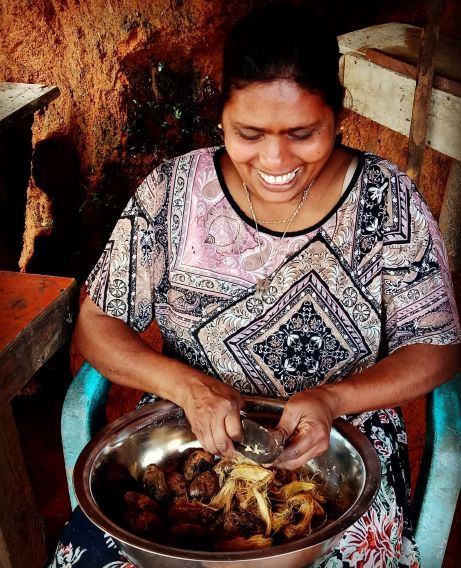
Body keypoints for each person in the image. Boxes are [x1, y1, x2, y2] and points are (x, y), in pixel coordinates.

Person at [49, 3, 461, 567]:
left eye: (302, 133)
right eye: (249, 133)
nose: (274, 159)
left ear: (338, 114)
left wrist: (333, 398)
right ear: (221, 119)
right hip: (190, 430)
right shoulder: (172, 193)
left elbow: (437, 349)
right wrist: (188, 387)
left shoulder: (388, 203)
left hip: (344, 444)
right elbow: (96, 326)